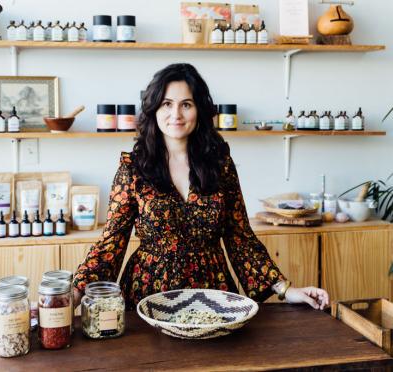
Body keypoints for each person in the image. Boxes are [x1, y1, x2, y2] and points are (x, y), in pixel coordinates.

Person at [73, 63, 329, 311]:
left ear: (199, 110)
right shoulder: (133, 169)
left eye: (186, 104)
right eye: (166, 104)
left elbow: (239, 236)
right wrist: (72, 293)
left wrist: (285, 289)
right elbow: (111, 243)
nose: (176, 114)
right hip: (149, 293)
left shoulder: (220, 165)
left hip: (212, 292)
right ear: (153, 110)